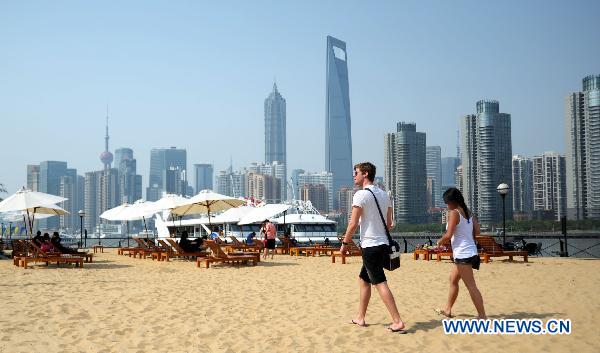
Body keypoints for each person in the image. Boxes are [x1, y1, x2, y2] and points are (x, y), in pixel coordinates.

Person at [340, 162, 407, 333]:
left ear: (366, 174)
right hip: (383, 243)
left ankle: (397, 321)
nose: (354, 175)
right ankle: (360, 317)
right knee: (364, 279)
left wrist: (345, 243)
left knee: (380, 283)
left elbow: (353, 223)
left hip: (371, 246)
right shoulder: (385, 194)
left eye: (356, 172)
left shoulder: (361, 195)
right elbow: (390, 223)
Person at [435, 187, 487, 320]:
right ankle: (448, 309)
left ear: (452, 201)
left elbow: (449, 234)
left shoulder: (455, 213)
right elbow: (477, 232)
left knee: (471, 285)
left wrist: (439, 242)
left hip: (463, 254)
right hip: (470, 252)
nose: (447, 205)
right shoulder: (469, 212)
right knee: (453, 280)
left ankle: (482, 315)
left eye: (447, 202)